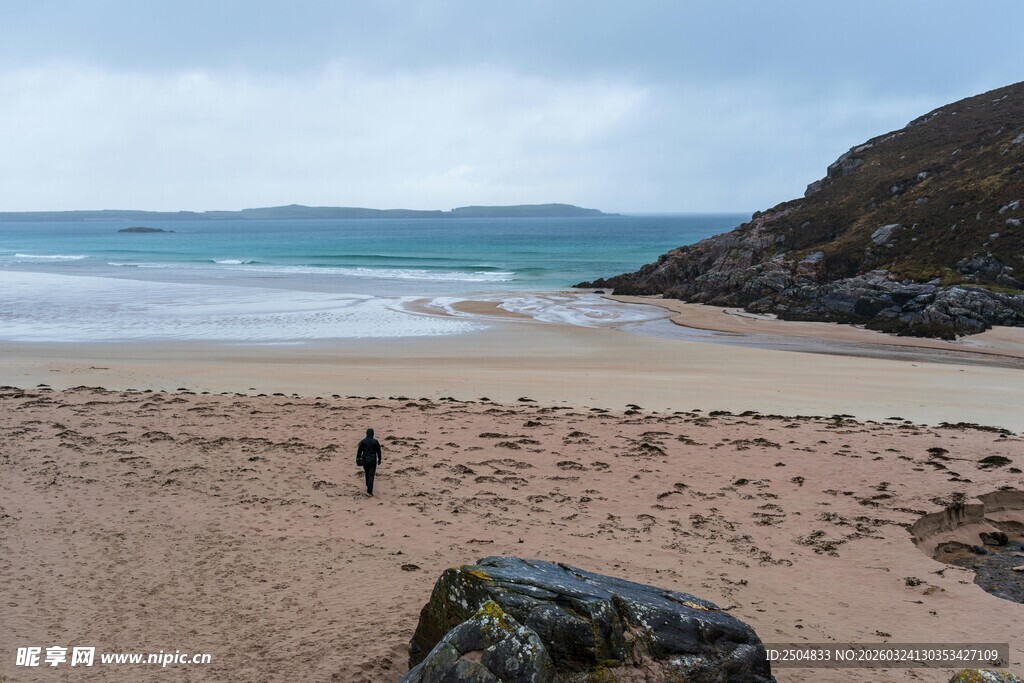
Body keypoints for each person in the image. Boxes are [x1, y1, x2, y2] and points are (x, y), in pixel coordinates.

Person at [356, 428, 382, 495]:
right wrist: (379, 459)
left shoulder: (363, 441)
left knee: (367, 473)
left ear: (366, 433)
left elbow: (359, 451)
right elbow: (378, 451)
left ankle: (368, 485)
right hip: (373, 461)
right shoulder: (375, 442)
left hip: (365, 460)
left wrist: (358, 458)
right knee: (371, 475)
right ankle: (369, 490)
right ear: (373, 434)